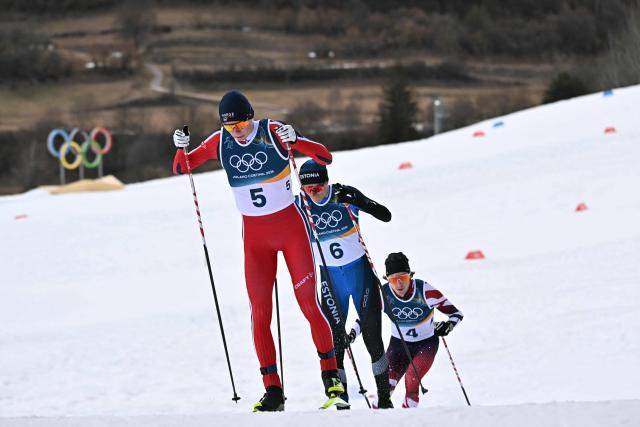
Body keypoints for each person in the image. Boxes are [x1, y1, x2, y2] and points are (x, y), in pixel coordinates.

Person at [172, 90, 344, 411]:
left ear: (250, 116)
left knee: (308, 303)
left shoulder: (273, 132)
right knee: (259, 312)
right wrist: (181, 147)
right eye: (230, 125)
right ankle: (273, 391)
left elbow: (324, 156)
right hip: (255, 238)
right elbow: (183, 168)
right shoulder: (218, 141)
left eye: (240, 122)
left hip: (291, 230)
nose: (236, 129)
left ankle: (331, 375)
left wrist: (298, 141)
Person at [296, 159, 393, 409]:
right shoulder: (300, 204)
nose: (314, 193)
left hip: (360, 275)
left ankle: (384, 399)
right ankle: (341, 402)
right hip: (330, 280)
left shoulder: (344, 194)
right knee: (334, 343)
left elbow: (385, 215)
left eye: (318, 187)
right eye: (308, 189)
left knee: (373, 340)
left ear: (326, 181)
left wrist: (359, 201)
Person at [374, 252, 463, 408]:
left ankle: (409, 421)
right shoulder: (383, 294)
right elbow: (366, 317)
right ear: (387, 280)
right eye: (394, 280)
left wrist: (448, 326)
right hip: (398, 346)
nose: (399, 284)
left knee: (411, 378)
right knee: (385, 386)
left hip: (426, 345)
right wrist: (352, 334)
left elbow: (456, 314)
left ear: (411, 276)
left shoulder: (425, 291)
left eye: (404, 278)